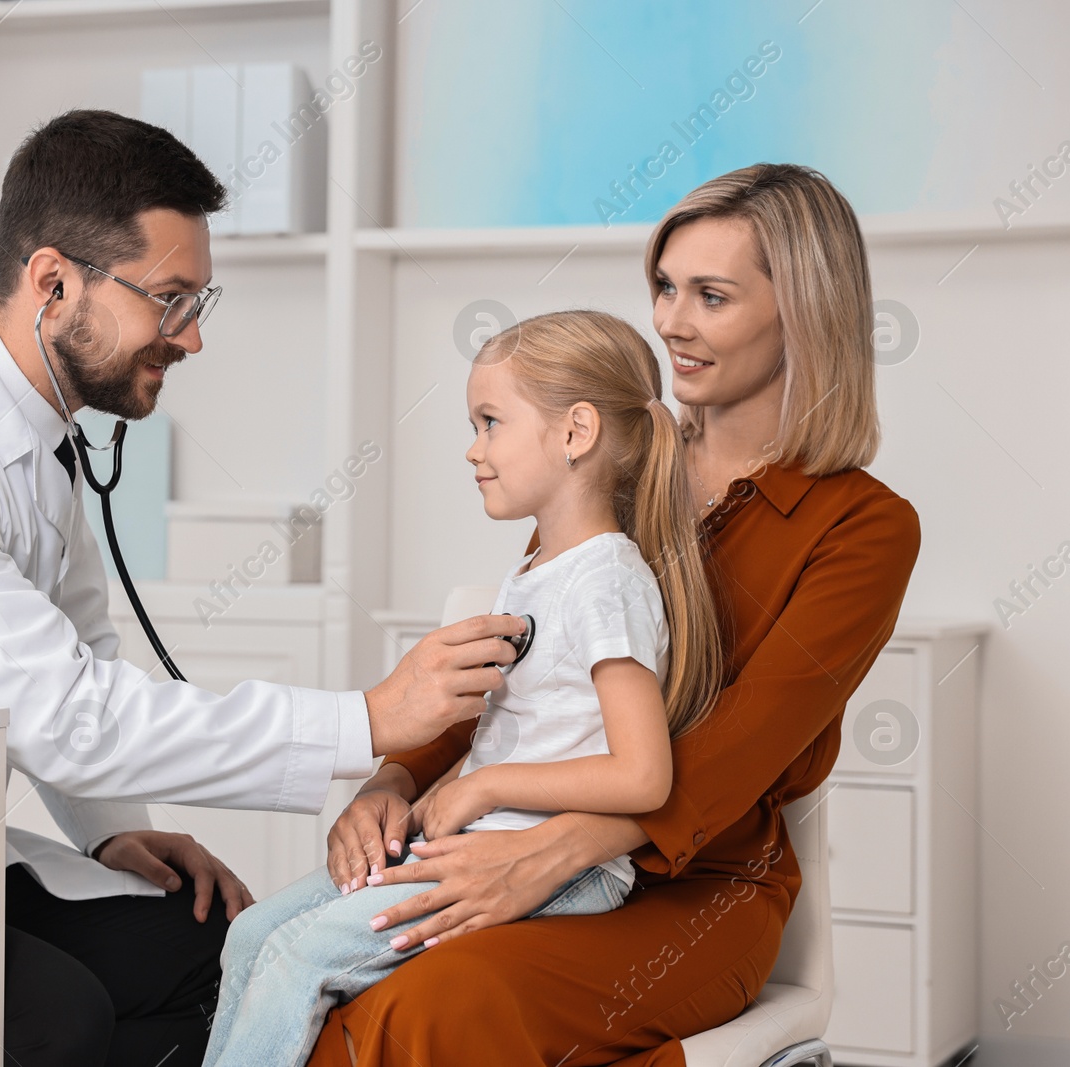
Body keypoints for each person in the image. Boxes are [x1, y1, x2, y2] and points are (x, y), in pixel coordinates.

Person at [0, 109, 525, 1067]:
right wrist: (369, 718)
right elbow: (64, 715)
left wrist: (116, 834)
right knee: (60, 1018)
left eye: (199, 302)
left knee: (217, 949)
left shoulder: (35, 432)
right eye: (170, 300)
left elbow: (75, 653)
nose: (190, 339)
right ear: (52, 281)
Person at [304, 163, 922, 1066]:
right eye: (665, 288)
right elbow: (524, 667)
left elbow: (738, 749)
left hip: (699, 895)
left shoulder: (864, 527)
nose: (671, 320)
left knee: (432, 1002)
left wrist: (551, 852)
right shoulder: (622, 467)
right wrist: (393, 779)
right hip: (529, 846)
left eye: (711, 295)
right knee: (314, 975)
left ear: (807, 312)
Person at [203, 310, 725, 1067]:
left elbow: (644, 775)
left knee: (299, 959)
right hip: (477, 840)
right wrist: (430, 794)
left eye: (490, 422)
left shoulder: (606, 580)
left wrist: (483, 792)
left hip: (554, 869)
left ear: (576, 432)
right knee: (253, 935)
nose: (473, 449)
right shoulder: (540, 568)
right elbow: (526, 727)